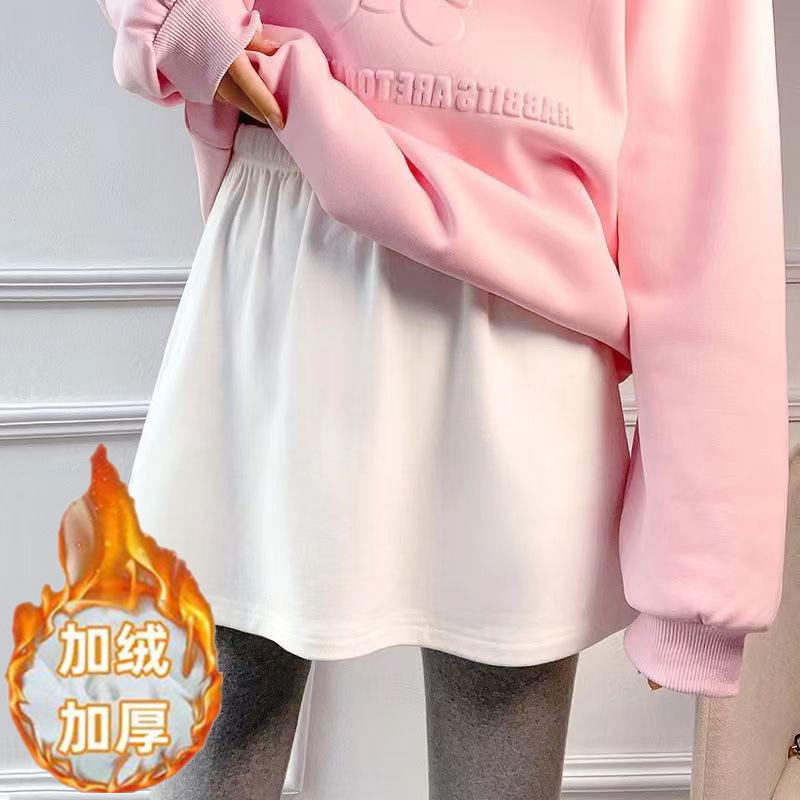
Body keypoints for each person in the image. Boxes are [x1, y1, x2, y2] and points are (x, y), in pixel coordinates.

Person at [94, 1, 790, 797]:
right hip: (296, 220)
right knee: (229, 712)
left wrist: (698, 591)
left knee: (490, 733)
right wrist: (182, 22)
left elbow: (706, 165)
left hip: (523, 292)